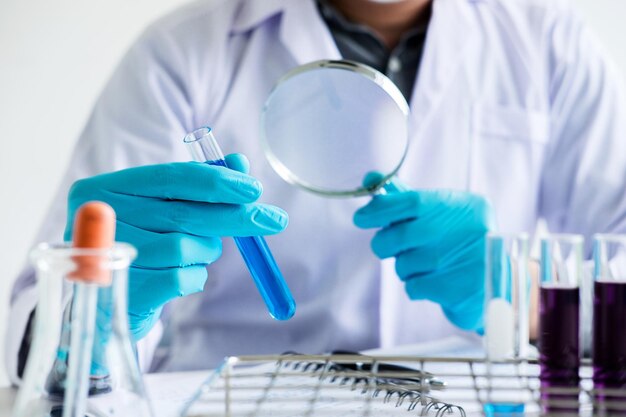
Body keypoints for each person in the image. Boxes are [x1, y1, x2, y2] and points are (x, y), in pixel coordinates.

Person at [7, 0, 626, 383]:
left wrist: (527, 302)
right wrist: (88, 321)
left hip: (465, 398)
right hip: (226, 396)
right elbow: (29, 333)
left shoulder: (551, 44)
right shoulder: (179, 53)